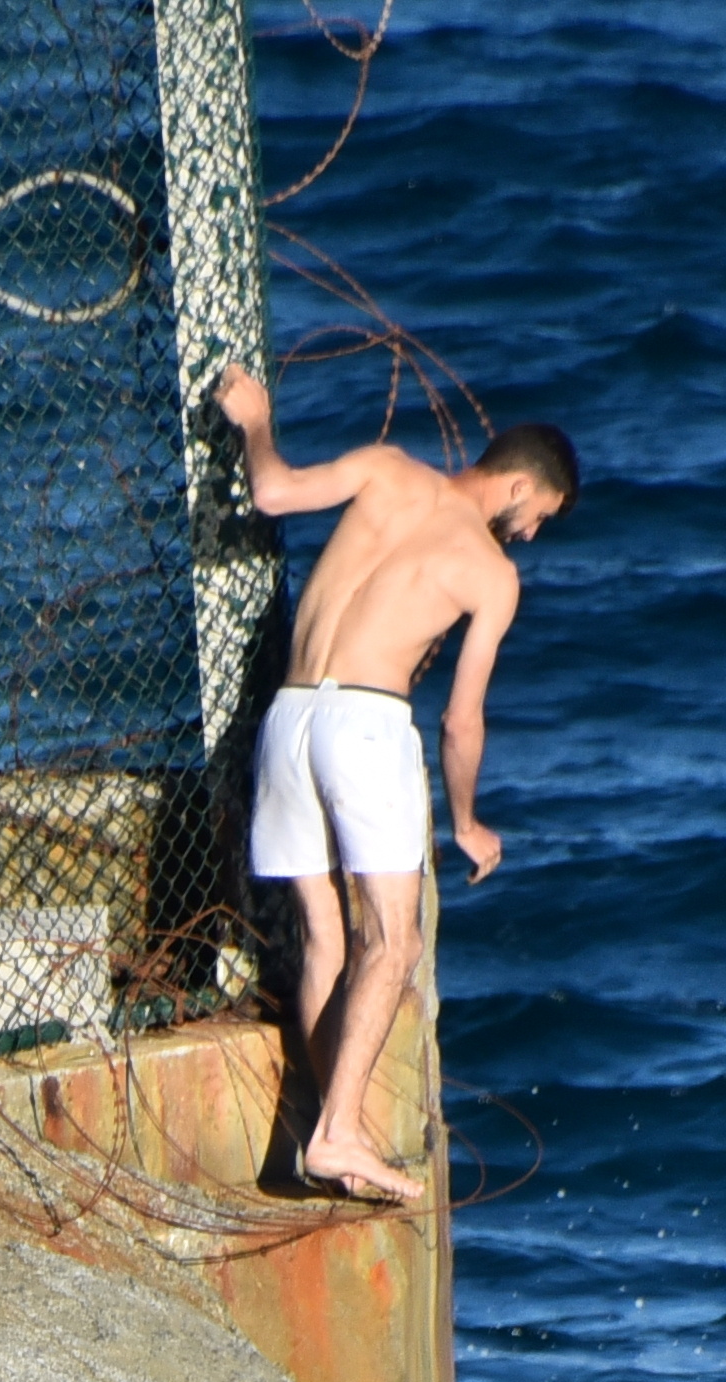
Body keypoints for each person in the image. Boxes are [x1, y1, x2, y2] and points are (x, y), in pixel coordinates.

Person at [216, 365, 576, 1202]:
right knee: (396, 943)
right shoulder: (491, 573)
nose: (527, 534)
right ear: (519, 484)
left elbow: (270, 492)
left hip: (289, 717)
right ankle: (339, 1135)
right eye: (537, 518)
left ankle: (336, 1124)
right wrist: (467, 822)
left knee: (325, 938)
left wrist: (256, 421)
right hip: (367, 728)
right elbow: (461, 721)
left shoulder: (384, 468)